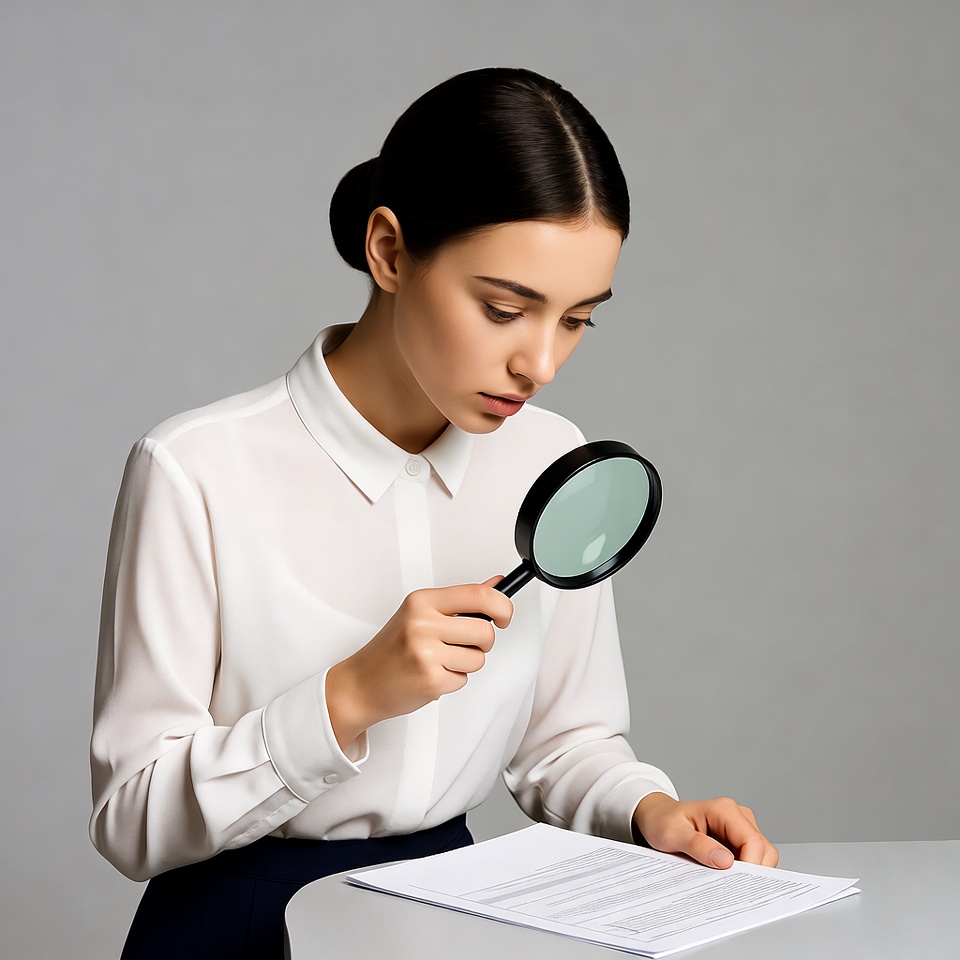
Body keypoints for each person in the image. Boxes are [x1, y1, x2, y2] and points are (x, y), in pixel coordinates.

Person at [90, 66, 778, 959]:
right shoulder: (194, 470)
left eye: (578, 321)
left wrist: (650, 810)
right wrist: (349, 698)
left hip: (452, 917)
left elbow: (567, 743)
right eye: (504, 308)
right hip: (236, 923)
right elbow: (129, 817)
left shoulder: (548, 458)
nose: (541, 364)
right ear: (388, 251)